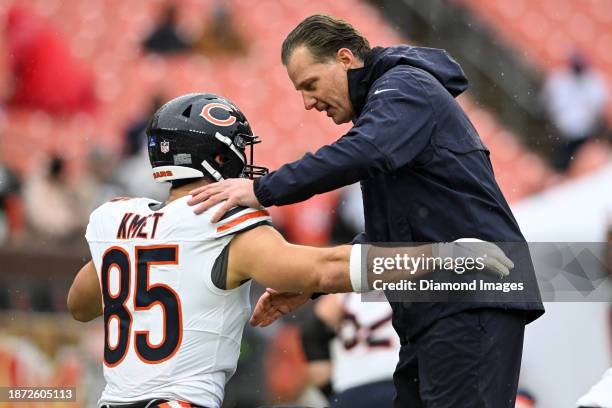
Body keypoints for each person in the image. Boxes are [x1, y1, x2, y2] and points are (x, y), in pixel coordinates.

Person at [188, 14, 545, 408]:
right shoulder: (394, 110)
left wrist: (262, 188)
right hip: (438, 301)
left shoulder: (404, 88)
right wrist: (314, 283)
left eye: (310, 84)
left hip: (471, 289)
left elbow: (363, 151)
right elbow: (387, 238)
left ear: (345, 59)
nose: (307, 102)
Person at [67, 93, 513, 408]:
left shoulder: (118, 220)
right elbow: (322, 270)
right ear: (219, 157)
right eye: (238, 148)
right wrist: (441, 258)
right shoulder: (221, 223)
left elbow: (80, 304)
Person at [301, 292, 398, 408]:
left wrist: (331, 393)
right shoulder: (413, 286)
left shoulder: (346, 290)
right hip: (398, 387)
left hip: (349, 390)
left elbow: (312, 332)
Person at [541, 51, 608, 172]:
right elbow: (549, 103)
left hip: (584, 132)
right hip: (562, 131)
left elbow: (598, 107)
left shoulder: (593, 81)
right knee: (561, 162)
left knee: (580, 161)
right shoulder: (560, 79)